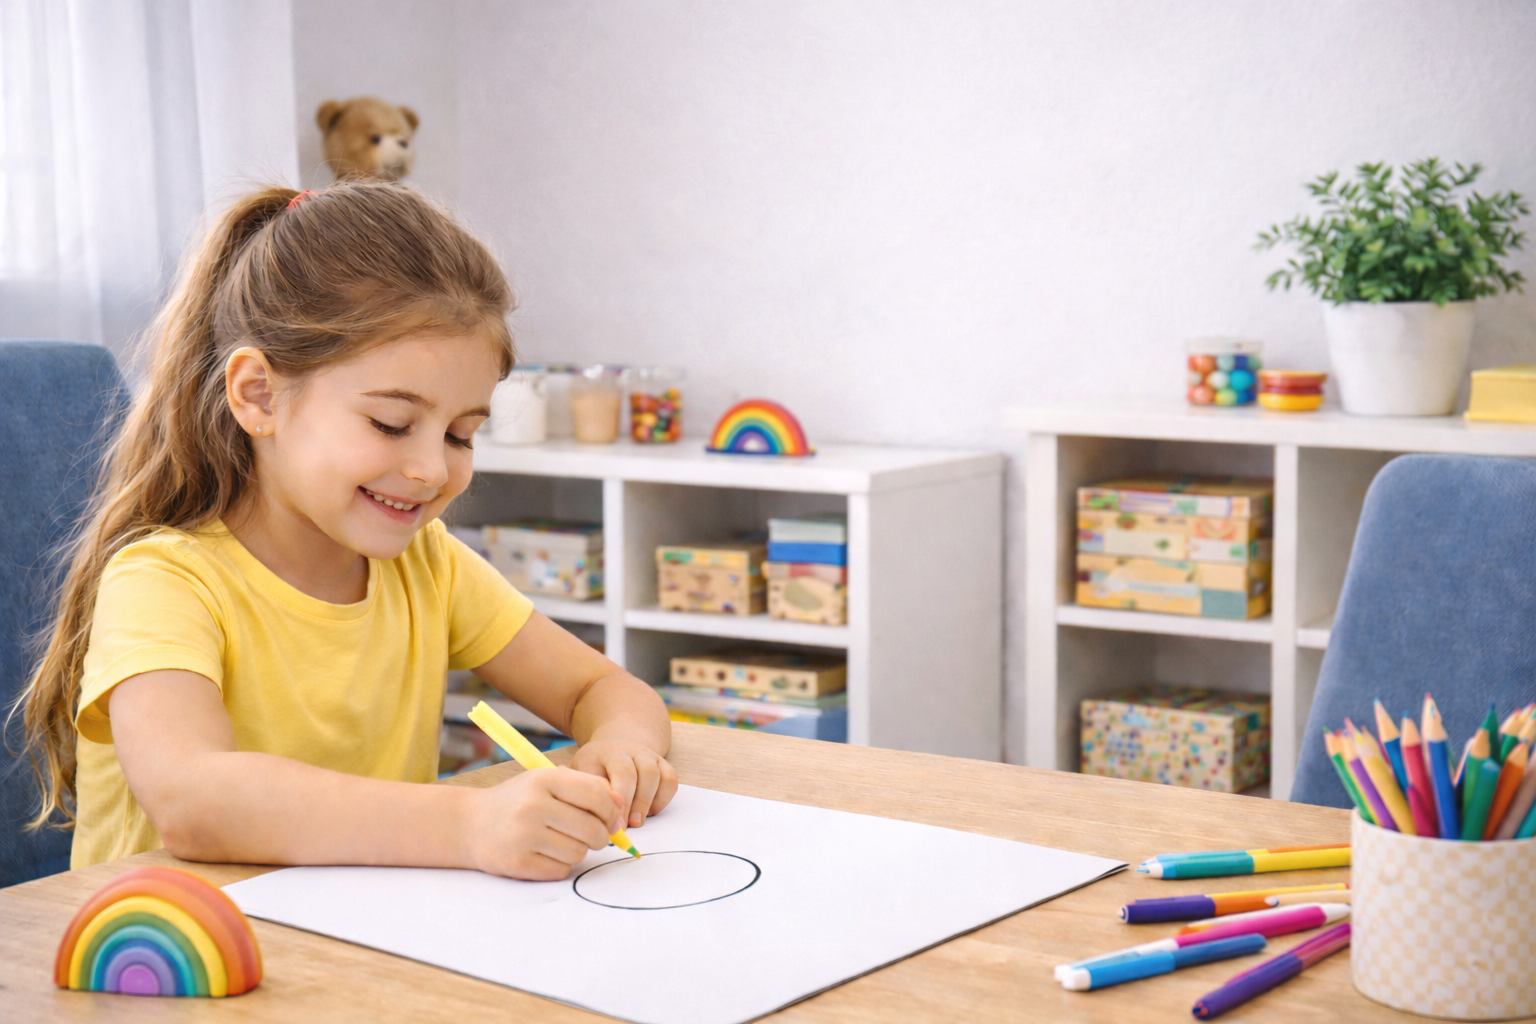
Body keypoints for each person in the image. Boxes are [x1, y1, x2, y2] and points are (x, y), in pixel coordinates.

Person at [16, 181, 676, 879]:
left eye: (460, 434)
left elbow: (600, 690)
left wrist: (624, 749)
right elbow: (192, 798)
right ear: (259, 395)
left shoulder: (430, 566)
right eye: (390, 423)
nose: (429, 469)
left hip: (350, 944)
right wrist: (468, 824)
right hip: (166, 958)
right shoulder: (163, 582)